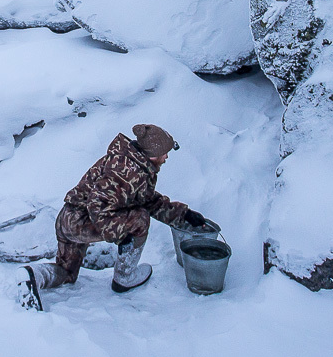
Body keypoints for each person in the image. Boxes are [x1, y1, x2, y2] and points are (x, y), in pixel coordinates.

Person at [19, 123, 208, 310]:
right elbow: (97, 204)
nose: (167, 157)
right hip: (81, 222)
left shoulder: (134, 164)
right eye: (165, 152)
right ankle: (125, 277)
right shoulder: (128, 172)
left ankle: (32, 276)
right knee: (140, 219)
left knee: (67, 274)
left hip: (68, 219)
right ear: (153, 153)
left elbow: (148, 200)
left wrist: (183, 214)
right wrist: (120, 233)